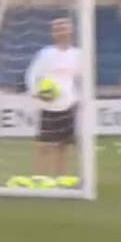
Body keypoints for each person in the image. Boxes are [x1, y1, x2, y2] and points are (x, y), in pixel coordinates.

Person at [24, 17, 81, 178]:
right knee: (43, 145)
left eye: (64, 28)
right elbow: (32, 75)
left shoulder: (78, 54)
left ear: (71, 31)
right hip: (48, 105)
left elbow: (82, 78)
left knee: (64, 145)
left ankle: (60, 178)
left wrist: (79, 98)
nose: (61, 32)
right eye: (58, 29)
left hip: (69, 104)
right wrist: (36, 93)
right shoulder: (45, 54)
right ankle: (39, 178)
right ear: (53, 33)